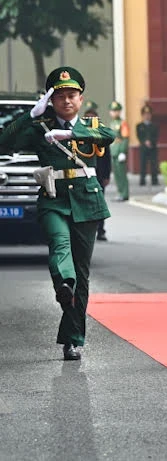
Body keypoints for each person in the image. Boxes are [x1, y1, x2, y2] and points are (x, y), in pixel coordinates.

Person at [0, 67, 114, 360]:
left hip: (87, 203)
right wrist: (30, 115)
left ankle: (73, 338)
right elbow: (5, 142)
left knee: (83, 274)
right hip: (53, 199)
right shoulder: (41, 128)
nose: (66, 101)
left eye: (71, 95)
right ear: (51, 100)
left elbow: (108, 135)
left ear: (81, 98)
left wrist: (72, 131)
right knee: (60, 246)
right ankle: (65, 283)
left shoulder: (93, 125)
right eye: (60, 96)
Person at [83, 101, 112, 241]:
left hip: (99, 176)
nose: (90, 121)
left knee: (99, 205)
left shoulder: (102, 135)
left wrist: (107, 175)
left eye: (93, 118)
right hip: (84, 176)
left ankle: (101, 230)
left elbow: (107, 158)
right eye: (87, 118)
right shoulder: (78, 135)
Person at [108, 101, 129, 201]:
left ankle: (124, 193)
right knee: (116, 174)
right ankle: (120, 192)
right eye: (112, 111)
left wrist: (123, 152)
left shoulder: (122, 123)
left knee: (122, 174)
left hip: (119, 150)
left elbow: (125, 139)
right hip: (113, 150)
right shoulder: (112, 123)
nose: (114, 113)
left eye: (116, 111)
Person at [136, 103, 160, 186]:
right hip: (143, 148)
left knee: (154, 165)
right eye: (145, 114)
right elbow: (139, 136)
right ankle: (142, 180)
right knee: (143, 165)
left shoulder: (154, 125)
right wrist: (145, 142)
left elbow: (156, 136)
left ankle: (154, 180)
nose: (147, 116)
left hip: (153, 148)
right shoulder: (139, 126)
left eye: (148, 114)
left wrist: (151, 142)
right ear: (142, 115)